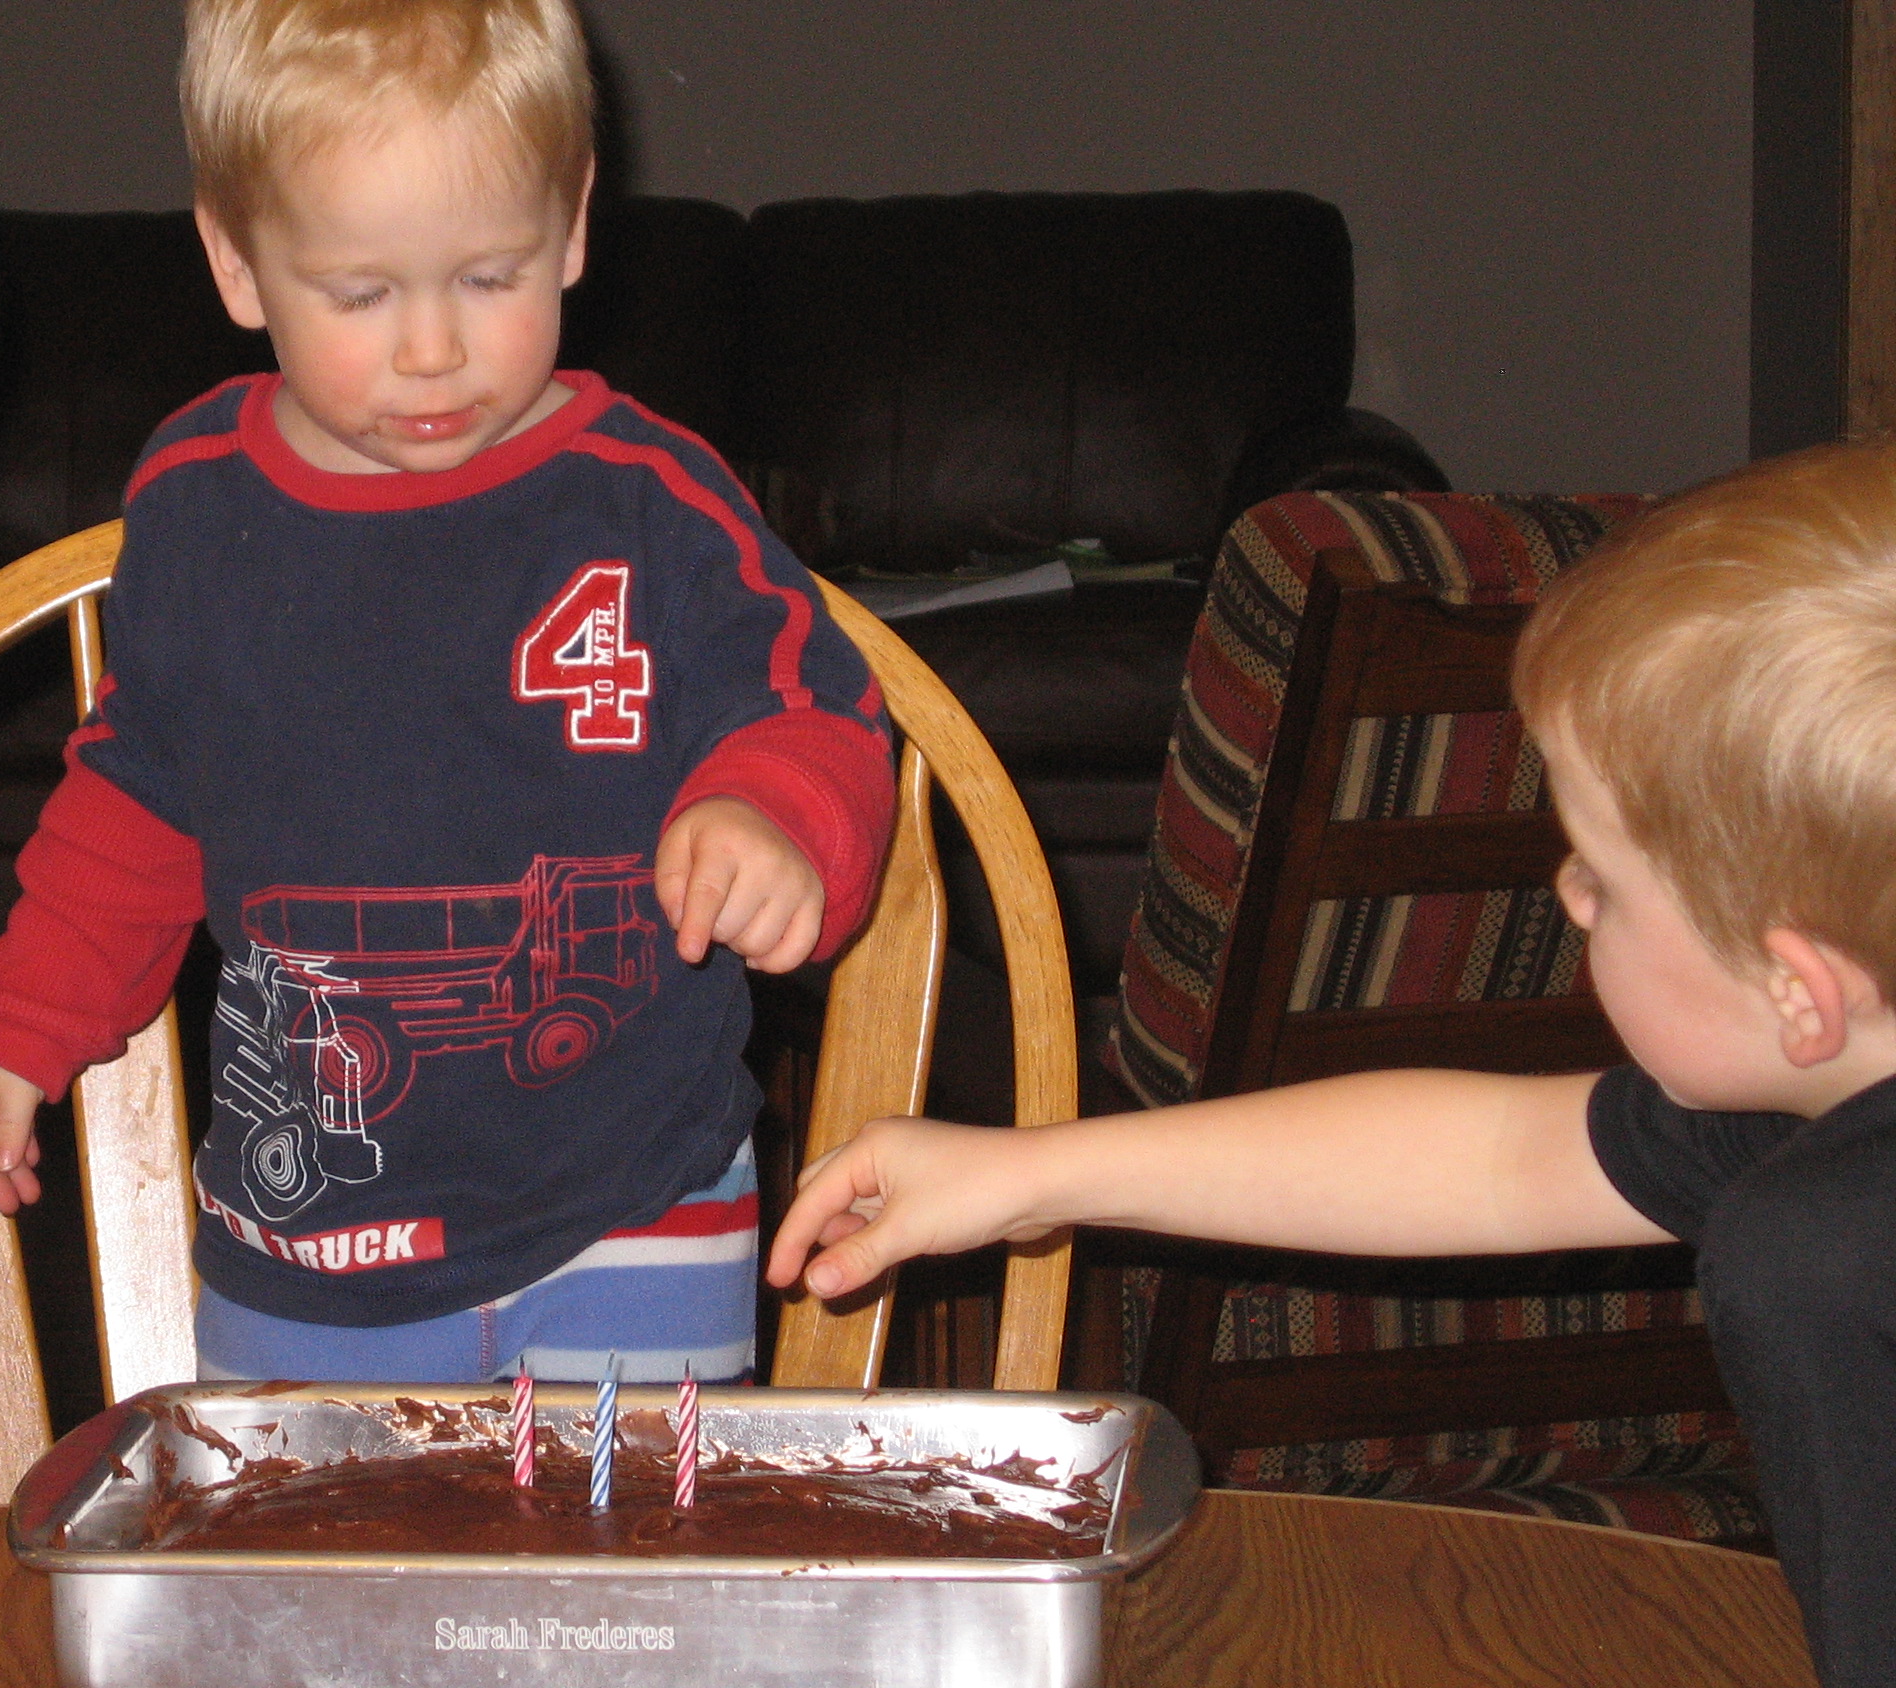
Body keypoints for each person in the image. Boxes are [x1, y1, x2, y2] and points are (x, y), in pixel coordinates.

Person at [0, 0, 892, 1387]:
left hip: (635, 1199)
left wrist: (771, 812)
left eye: (491, 277)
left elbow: (819, 706)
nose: (434, 350)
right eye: (361, 292)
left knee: (631, 1616)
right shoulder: (193, 506)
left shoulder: (649, 504)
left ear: (575, 227)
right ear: (238, 263)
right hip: (308, 1247)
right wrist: (22, 1026)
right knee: (310, 1609)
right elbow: (137, 800)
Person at [769, 439, 1896, 1688]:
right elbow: (1502, 1158)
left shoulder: (1820, 1257)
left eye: (1603, 880)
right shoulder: (1820, 1110)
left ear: (1800, 989)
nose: (1568, 900)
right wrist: (1033, 1174)